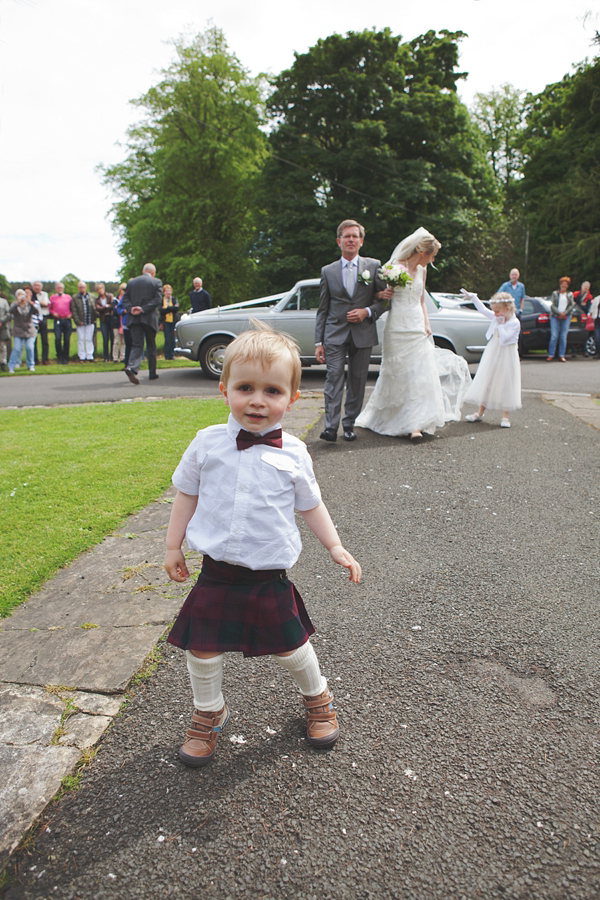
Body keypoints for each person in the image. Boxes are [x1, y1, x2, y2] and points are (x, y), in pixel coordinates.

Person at [164, 324, 361, 767]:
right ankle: (209, 711)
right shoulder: (207, 443)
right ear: (224, 388)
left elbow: (312, 504)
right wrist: (173, 546)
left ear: (291, 398)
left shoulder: (293, 452)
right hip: (217, 569)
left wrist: (335, 546)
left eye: (271, 390)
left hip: (268, 573)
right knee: (202, 646)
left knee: (290, 646)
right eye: (245, 387)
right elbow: (186, 494)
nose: (257, 400)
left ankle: (317, 696)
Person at [355, 227, 470, 440]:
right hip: (397, 324)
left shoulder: (423, 272)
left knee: (419, 375)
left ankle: (416, 423)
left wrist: (427, 323)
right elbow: (379, 296)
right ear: (423, 252)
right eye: (432, 256)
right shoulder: (392, 268)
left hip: (416, 324)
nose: (433, 260)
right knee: (397, 372)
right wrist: (383, 293)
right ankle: (392, 416)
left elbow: (422, 301)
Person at [315, 219, 392, 442]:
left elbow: (385, 302)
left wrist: (366, 311)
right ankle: (330, 427)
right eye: (346, 236)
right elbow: (323, 309)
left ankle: (349, 424)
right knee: (333, 377)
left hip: (363, 332)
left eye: (354, 236)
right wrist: (319, 341)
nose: (351, 240)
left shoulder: (374, 266)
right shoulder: (327, 271)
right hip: (334, 333)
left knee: (357, 381)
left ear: (361, 241)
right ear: (339, 242)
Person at [461, 291, 521, 428]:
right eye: (494, 311)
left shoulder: (514, 323)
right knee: (488, 379)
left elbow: (506, 339)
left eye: (497, 311)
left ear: (507, 309)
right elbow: (483, 310)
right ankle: (479, 412)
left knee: (506, 382)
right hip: (493, 352)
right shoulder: (497, 317)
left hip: (507, 354)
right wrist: (474, 297)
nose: (495, 314)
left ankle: (505, 416)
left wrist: (500, 325)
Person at [122, 263, 162, 384]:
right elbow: (157, 300)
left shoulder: (131, 282)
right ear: (153, 273)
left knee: (137, 344)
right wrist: (143, 309)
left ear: (143, 271)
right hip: (149, 318)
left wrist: (131, 308)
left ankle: (132, 367)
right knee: (151, 345)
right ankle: (152, 373)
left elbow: (125, 300)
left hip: (134, 318)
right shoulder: (156, 282)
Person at [8, 289, 40, 373]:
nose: (22, 296)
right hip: (18, 330)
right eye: (20, 295)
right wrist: (18, 303)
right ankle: (11, 366)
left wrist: (29, 302)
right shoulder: (14, 305)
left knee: (29, 347)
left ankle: (31, 365)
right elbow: (10, 311)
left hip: (29, 330)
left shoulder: (29, 305)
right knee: (17, 348)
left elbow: (36, 311)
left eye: (23, 294)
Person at [547, 276, 574, 362]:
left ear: (567, 285)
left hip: (566, 317)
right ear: (560, 284)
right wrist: (558, 312)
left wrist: (565, 313)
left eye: (565, 284)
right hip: (555, 316)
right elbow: (552, 305)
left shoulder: (570, 294)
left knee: (563, 336)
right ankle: (551, 354)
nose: (564, 285)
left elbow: (571, 305)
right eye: (562, 284)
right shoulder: (555, 293)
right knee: (554, 336)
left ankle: (562, 355)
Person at [72, 280, 97, 362]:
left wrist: (95, 318)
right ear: (78, 288)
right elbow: (74, 310)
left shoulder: (91, 296)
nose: (82, 288)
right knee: (81, 339)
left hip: (90, 321)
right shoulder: (75, 298)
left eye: (83, 287)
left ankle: (90, 355)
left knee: (89, 339)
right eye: (80, 287)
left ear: (86, 287)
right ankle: (81, 356)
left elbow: (95, 308)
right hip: (81, 322)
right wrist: (77, 321)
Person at [49, 282, 73, 364]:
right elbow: (50, 308)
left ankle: (66, 358)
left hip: (67, 320)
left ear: (63, 288)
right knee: (58, 339)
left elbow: (72, 307)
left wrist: (71, 314)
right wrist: (53, 313)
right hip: (58, 320)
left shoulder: (68, 297)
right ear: (56, 288)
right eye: (58, 287)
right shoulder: (52, 297)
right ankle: (59, 357)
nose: (60, 289)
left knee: (67, 339)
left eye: (61, 287)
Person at [95, 282, 114, 362]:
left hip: (111, 318)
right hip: (103, 319)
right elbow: (97, 308)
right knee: (105, 338)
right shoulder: (97, 299)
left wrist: (103, 308)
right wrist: (106, 306)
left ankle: (113, 355)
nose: (100, 291)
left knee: (113, 337)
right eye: (98, 289)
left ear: (103, 289)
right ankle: (105, 357)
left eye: (100, 289)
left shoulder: (110, 296)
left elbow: (112, 305)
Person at [32, 280, 51, 365]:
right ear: (33, 287)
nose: (37, 287)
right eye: (35, 285)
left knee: (44, 339)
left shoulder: (44, 294)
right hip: (33, 318)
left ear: (41, 287)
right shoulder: (30, 294)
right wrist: (39, 304)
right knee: (33, 340)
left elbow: (46, 304)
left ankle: (45, 359)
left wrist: (35, 303)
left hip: (43, 317)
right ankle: (35, 359)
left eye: (38, 286)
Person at [160, 284, 179, 360]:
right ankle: (167, 355)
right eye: (166, 291)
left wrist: (167, 308)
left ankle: (172, 354)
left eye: (169, 291)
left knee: (173, 338)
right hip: (166, 321)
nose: (168, 292)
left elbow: (176, 308)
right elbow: (161, 311)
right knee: (167, 338)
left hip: (173, 321)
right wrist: (170, 309)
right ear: (164, 292)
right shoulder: (162, 300)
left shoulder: (174, 299)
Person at [111, 284, 126, 363]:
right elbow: (115, 310)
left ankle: (122, 356)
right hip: (117, 323)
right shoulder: (115, 300)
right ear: (120, 290)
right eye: (123, 289)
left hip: (124, 323)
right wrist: (123, 311)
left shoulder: (127, 299)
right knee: (116, 341)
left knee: (124, 341)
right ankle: (115, 357)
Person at [0, 293, 11, 371]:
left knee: (2, 346)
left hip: (2, 326)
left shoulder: (4, 302)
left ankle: (3, 363)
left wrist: (2, 321)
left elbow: (8, 314)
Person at [590, 292, 600, 360]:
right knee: (597, 337)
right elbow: (592, 309)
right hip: (597, 320)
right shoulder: (597, 298)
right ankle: (598, 352)